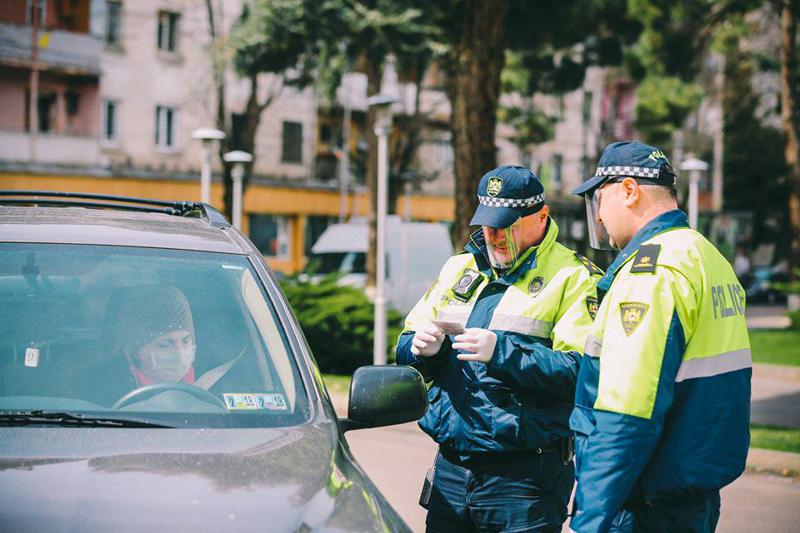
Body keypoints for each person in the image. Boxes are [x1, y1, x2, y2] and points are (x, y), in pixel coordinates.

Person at [396, 165, 602, 532]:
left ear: (541, 216)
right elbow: (406, 341)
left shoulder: (574, 277)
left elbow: (582, 373)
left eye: (506, 225)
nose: (493, 236)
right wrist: (423, 349)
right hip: (453, 468)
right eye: (487, 224)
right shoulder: (461, 267)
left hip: (523, 479)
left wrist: (503, 351)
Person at [569, 141, 751, 532]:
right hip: (692, 499)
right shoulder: (706, 256)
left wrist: (589, 520)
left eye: (599, 199)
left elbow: (627, 412)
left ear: (630, 190)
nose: (598, 217)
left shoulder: (651, 272)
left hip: (642, 506)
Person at [86, 285, 198, 406]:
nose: (180, 354)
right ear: (136, 350)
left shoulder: (214, 379)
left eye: (185, 341)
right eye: (165, 345)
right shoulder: (98, 386)